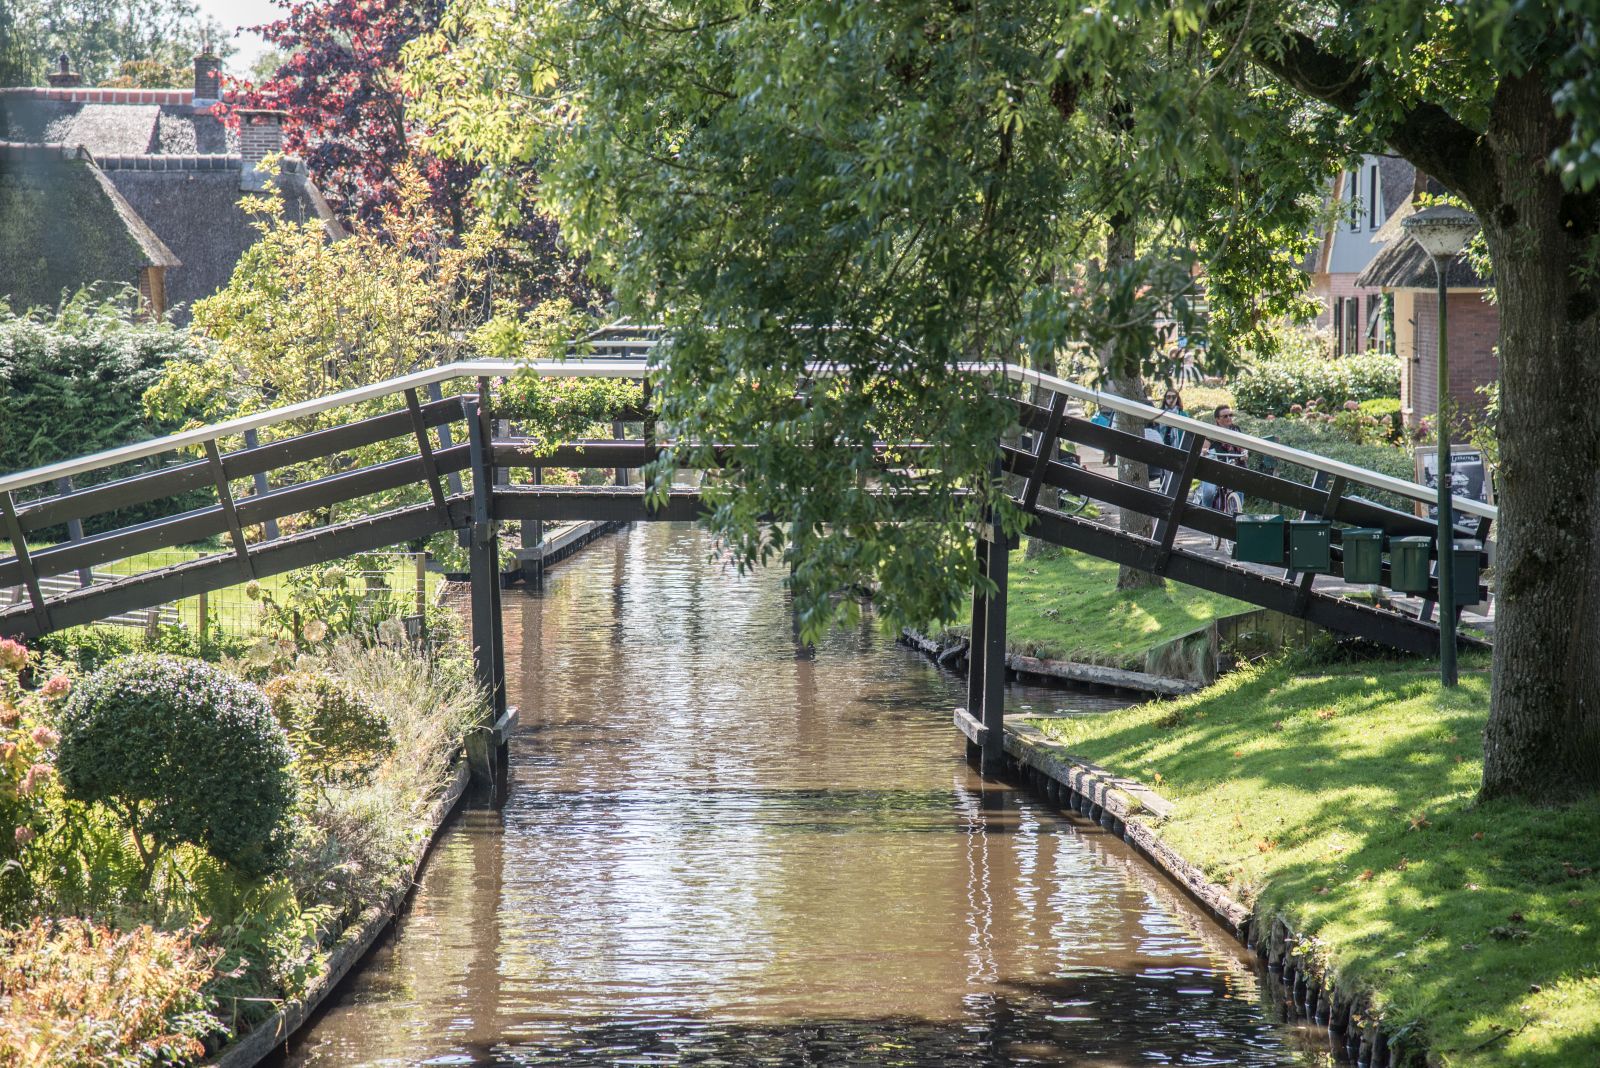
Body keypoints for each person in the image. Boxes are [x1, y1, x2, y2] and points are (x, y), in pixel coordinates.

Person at [1196, 404, 1247, 510]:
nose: (1229, 418)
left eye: (1230, 415)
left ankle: (1238, 513)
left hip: (1233, 465)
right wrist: (1205, 451)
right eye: (1225, 416)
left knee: (1241, 487)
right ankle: (1205, 512)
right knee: (1209, 492)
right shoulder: (1212, 432)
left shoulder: (1236, 429)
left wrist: (1245, 454)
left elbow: (1243, 447)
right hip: (1215, 468)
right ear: (1217, 419)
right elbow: (1204, 448)